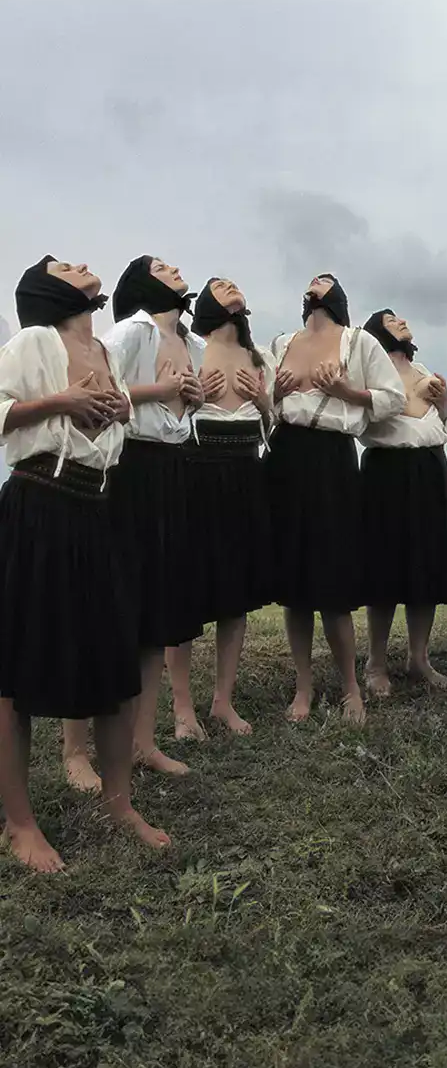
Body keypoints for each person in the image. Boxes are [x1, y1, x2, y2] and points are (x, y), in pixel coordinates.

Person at [0, 256, 170, 872]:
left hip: (99, 507)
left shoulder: (101, 345)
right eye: (67, 265)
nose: (83, 263)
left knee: (115, 652)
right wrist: (59, 401)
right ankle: (19, 823)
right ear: (50, 288)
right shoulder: (33, 341)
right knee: (16, 669)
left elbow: (115, 415)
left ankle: (119, 802)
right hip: (40, 502)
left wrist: (118, 408)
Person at [62, 255, 211, 785]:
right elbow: (99, 393)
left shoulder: (195, 344)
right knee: (108, 607)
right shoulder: (129, 332)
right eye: (164, 267)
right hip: (127, 469)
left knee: (157, 611)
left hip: (175, 469)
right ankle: (76, 751)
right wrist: (163, 392)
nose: (176, 270)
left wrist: (192, 398)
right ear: (146, 283)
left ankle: (144, 742)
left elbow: (181, 411)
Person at [267, 273, 406, 723]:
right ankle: (303, 686)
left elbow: (394, 398)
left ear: (339, 296)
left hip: (332, 458)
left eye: (325, 282)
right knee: (294, 579)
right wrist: (276, 391)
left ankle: (351, 687)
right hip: (287, 453)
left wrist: (345, 391)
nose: (315, 286)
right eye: (310, 282)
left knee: (333, 576)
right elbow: (260, 405)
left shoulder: (359, 341)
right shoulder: (282, 343)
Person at [163, 278, 276, 737]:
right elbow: (164, 421)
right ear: (207, 303)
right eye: (221, 284)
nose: (233, 286)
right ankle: (182, 708)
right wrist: (194, 401)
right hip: (197, 473)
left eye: (236, 284)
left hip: (247, 473)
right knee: (186, 596)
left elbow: (274, 429)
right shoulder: (188, 347)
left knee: (236, 596)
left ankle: (222, 702)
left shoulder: (259, 358)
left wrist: (263, 400)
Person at [360, 309, 447, 694]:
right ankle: (375, 662)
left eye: (400, 317)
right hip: (386, 468)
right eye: (391, 319)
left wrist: (444, 399)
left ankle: (419, 658)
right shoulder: (369, 370)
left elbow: (441, 421)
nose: (401, 321)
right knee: (384, 563)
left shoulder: (424, 371)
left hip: (430, 466)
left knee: (425, 563)